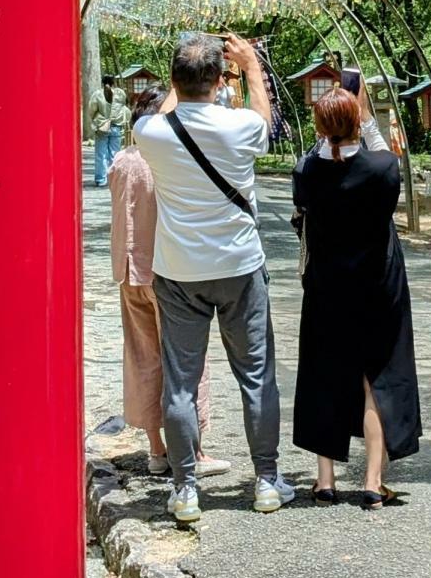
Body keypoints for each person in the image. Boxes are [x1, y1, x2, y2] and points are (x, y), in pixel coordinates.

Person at [134, 31, 295, 523]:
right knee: (256, 375)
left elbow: (164, 111)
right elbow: (266, 123)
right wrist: (250, 68)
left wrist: (180, 81)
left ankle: (184, 489)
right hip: (239, 267)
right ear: (219, 79)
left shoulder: (151, 133)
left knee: (180, 383)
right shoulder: (239, 126)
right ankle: (266, 480)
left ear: (174, 80)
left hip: (178, 271)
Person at [290, 83, 421, 506]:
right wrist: (362, 115)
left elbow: (310, 170)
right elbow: (382, 154)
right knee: (375, 378)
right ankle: (371, 479)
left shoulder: (307, 172)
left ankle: (325, 479)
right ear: (358, 123)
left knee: (324, 373)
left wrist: (330, 128)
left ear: (321, 127)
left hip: (328, 287)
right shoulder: (381, 169)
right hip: (378, 286)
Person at [109, 91, 230, 481]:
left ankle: (157, 450)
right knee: (185, 360)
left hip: (128, 272)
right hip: (166, 271)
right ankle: (193, 451)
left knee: (143, 357)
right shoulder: (162, 160)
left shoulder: (121, 161)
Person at [88, 76, 130, 188]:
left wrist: (96, 119)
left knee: (101, 154)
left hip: (102, 126)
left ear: (102, 83)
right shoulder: (120, 93)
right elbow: (124, 107)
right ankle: (114, 179)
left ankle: (101, 180)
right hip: (116, 126)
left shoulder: (97, 94)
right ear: (113, 82)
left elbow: (91, 109)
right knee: (114, 154)